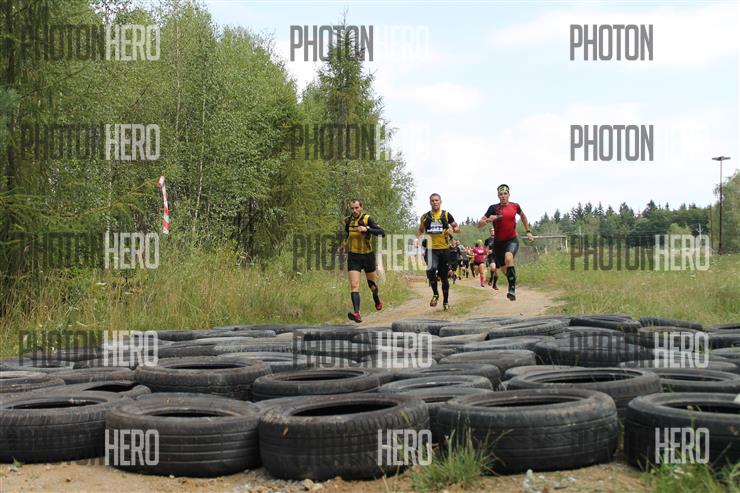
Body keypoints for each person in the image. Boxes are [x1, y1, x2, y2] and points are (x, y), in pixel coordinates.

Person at [477, 184, 534, 301]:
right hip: (498, 244)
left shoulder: (515, 206)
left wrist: (528, 231)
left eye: (505, 194)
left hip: (511, 240)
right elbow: (479, 225)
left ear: (509, 195)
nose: (503, 196)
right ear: (498, 196)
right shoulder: (493, 208)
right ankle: (512, 280)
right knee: (504, 270)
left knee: (509, 258)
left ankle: (511, 289)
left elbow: (523, 216)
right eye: (501, 194)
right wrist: (488, 220)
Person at [339, 198, 385, 323]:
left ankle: (376, 299)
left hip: (367, 256)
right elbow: (348, 235)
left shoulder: (367, 219)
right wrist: (343, 245)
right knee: (354, 285)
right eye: (352, 208)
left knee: (372, 286)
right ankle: (357, 313)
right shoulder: (348, 221)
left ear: (361, 207)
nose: (354, 210)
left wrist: (367, 229)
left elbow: (382, 232)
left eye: (356, 208)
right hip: (354, 257)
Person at [414, 193, 460, 311]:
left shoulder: (446, 215)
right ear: (430, 202)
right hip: (431, 249)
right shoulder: (425, 217)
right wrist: (416, 239)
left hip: (444, 250)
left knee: (444, 277)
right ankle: (435, 294)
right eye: (433, 200)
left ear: (440, 201)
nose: (435, 202)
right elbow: (420, 230)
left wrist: (452, 229)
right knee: (431, 270)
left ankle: (445, 301)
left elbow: (457, 228)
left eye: (437, 200)